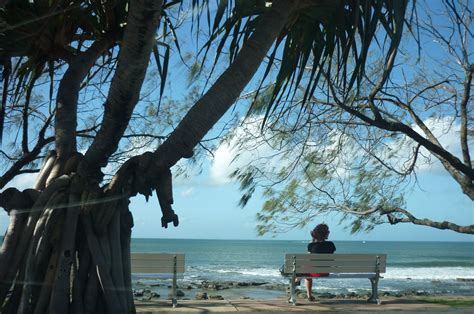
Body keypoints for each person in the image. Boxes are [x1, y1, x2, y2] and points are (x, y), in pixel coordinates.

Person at [305, 223, 336, 301]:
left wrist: (312, 242)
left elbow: (308, 260)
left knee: (306, 274)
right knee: (307, 271)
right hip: (326, 272)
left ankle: (309, 295)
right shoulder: (331, 244)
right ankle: (297, 281)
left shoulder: (311, 245)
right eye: (327, 231)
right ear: (324, 234)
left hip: (314, 273)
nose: (329, 232)